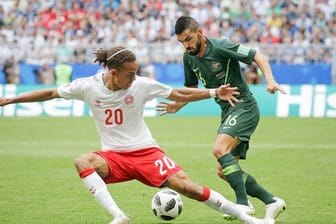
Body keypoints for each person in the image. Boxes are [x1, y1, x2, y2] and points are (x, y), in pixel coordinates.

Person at [0, 47, 274, 224]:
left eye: (136, 74)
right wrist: (12, 99)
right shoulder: (88, 87)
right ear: (114, 72)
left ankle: (248, 218)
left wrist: (214, 92)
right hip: (114, 157)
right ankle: (119, 216)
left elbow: (179, 93)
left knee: (188, 188)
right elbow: (49, 93)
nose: (134, 78)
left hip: (146, 152)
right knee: (82, 161)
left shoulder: (141, 85)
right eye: (129, 74)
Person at [156, 16, 287, 221]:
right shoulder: (188, 57)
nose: (186, 45)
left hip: (244, 106)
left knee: (219, 149)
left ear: (200, 31)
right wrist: (177, 106)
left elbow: (257, 55)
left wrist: (270, 80)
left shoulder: (220, 46)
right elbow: (191, 89)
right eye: (181, 41)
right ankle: (271, 200)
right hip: (228, 111)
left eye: (188, 39)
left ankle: (243, 204)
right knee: (224, 171)